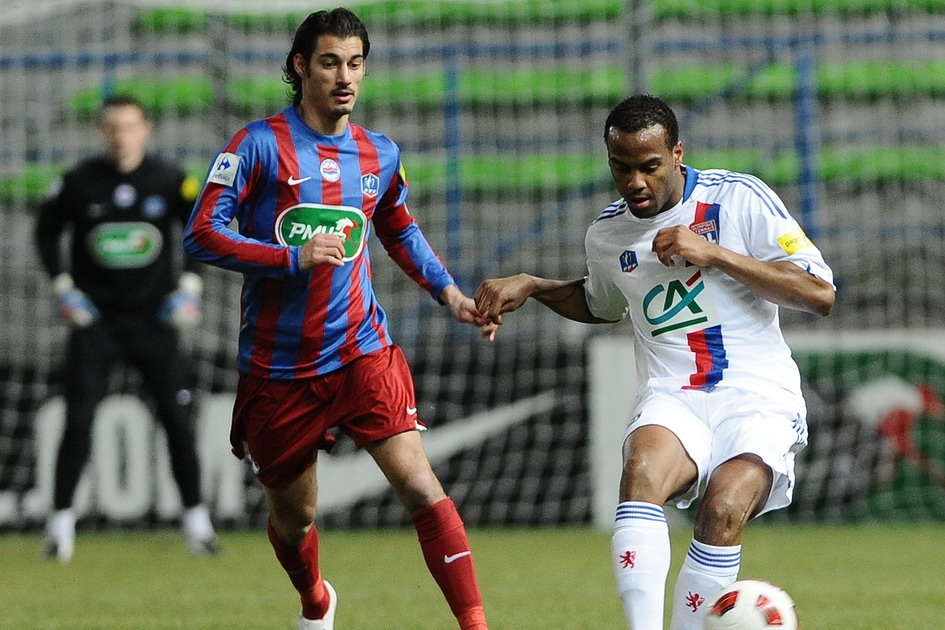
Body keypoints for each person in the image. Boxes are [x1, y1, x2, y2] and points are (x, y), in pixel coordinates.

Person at [474, 94, 836, 630]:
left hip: (757, 396)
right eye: (621, 168)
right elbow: (600, 305)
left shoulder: (739, 198)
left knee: (723, 508)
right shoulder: (608, 234)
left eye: (649, 166)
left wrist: (716, 254)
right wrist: (534, 285)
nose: (636, 182)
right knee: (641, 469)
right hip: (673, 393)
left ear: (677, 154)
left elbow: (819, 293)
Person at [182, 8, 491, 630]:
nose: (345, 77)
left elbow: (398, 228)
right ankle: (315, 602)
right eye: (330, 63)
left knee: (421, 486)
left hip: (360, 350)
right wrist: (288, 257)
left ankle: (475, 623)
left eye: (355, 64)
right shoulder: (257, 145)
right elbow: (201, 234)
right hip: (278, 368)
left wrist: (448, 293)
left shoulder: (379, 153)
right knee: (295, 521)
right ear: (301, 67)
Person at [34, 94, 220, 562]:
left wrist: (190, 286)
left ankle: (198, 525)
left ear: (146, 129)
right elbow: (45, 231)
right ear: (102, 132)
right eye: (113, 127)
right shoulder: (79, 182)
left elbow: (200, 228)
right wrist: (62, 287)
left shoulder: (169, 179)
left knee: (177, 420)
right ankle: (60, 529)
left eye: (130, 126)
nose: (122, 136)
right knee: (78, 420)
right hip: (96, 322)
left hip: (155, 321)